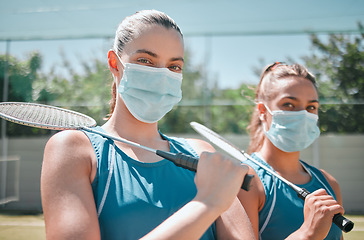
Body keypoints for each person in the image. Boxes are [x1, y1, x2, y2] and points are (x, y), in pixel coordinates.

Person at [41, 10, 254, 240]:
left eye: (174, 67)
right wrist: (207, 204)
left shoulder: (201, 154)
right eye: (145, 61)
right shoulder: (74, 150)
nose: (161, 76)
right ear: (115, 63)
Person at [238, 62, 345, 240]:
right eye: (289, 104)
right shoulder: (246, 182)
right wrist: (308, 233)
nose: (302, 115)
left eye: (311, 107)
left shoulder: (329, 183)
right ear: (263, 111)